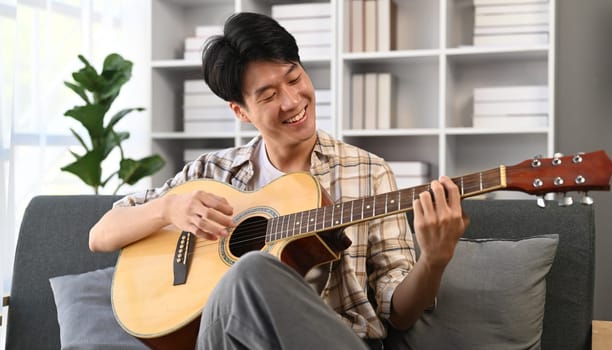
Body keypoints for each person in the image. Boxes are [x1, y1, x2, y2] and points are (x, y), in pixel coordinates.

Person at [89, 12, 468, 350]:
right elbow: (101, 234)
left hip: (338, 339)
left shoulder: (369, 172)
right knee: (246, 273)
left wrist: (434, 260)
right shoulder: (210, 174)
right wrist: (168, 207)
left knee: (250, 269)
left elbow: (397, 314)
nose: (292, 101)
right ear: (240, 110)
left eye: (294, 78)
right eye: (269, 95)